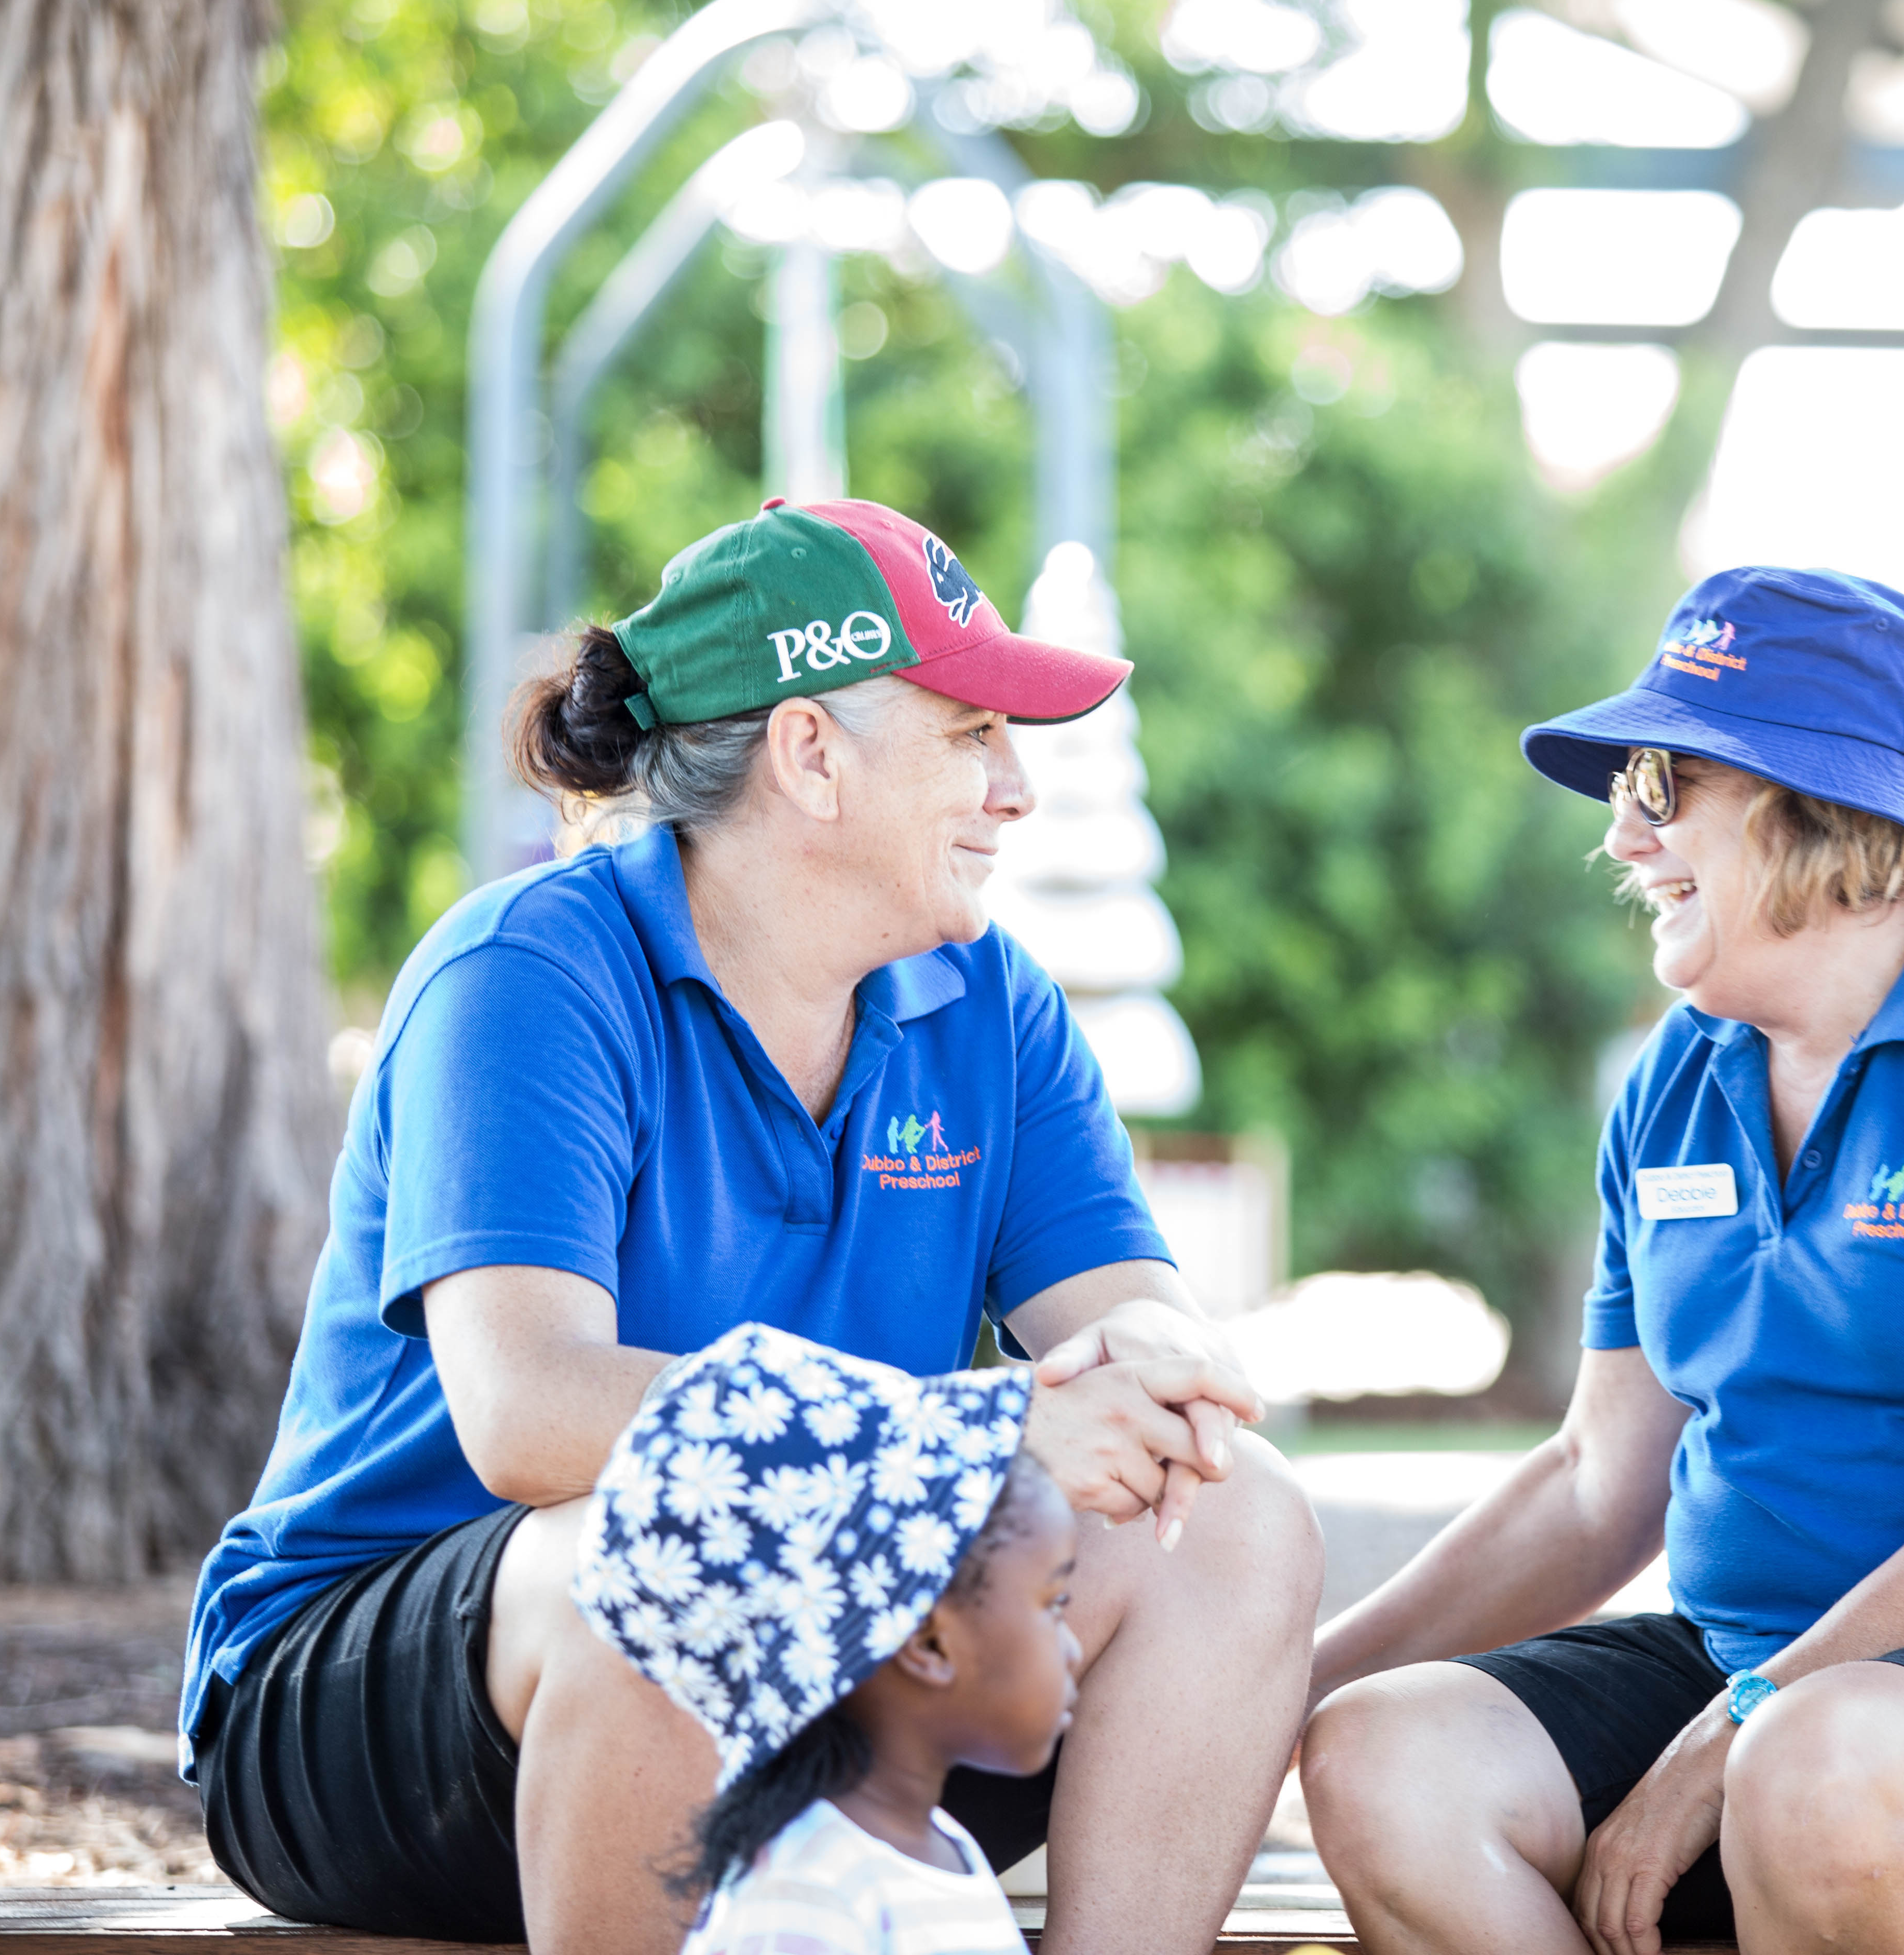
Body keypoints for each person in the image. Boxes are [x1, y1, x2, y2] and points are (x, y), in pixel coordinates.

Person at [178, 498, 1322, 1955]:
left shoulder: (993, 1003)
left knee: (1232, 1518)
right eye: (972, 735)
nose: (1017, 789)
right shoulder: (528, 969)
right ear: (810, 754)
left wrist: (1156, 1369)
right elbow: (528, 1414)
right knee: (683, 1548)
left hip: (818, 1665)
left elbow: (1135, 1317)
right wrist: (985, 1436)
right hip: (388, 1707)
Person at [1301, 568, 1904, 1955]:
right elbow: (1597, 1485)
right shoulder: (1677, 1079)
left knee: (1812, 1775)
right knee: (1384, 1756)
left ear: (1821, 806)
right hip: (1758, 1676)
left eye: (1664, 780)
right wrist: (1284, 1690)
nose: (1623, 834)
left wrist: (1733, 1739)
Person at [573, 1326, 1075, 1955]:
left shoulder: (939, 1850)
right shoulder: (808, 1896)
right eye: (1054, 1605)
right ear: (928, 1643)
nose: (1075, 1648)